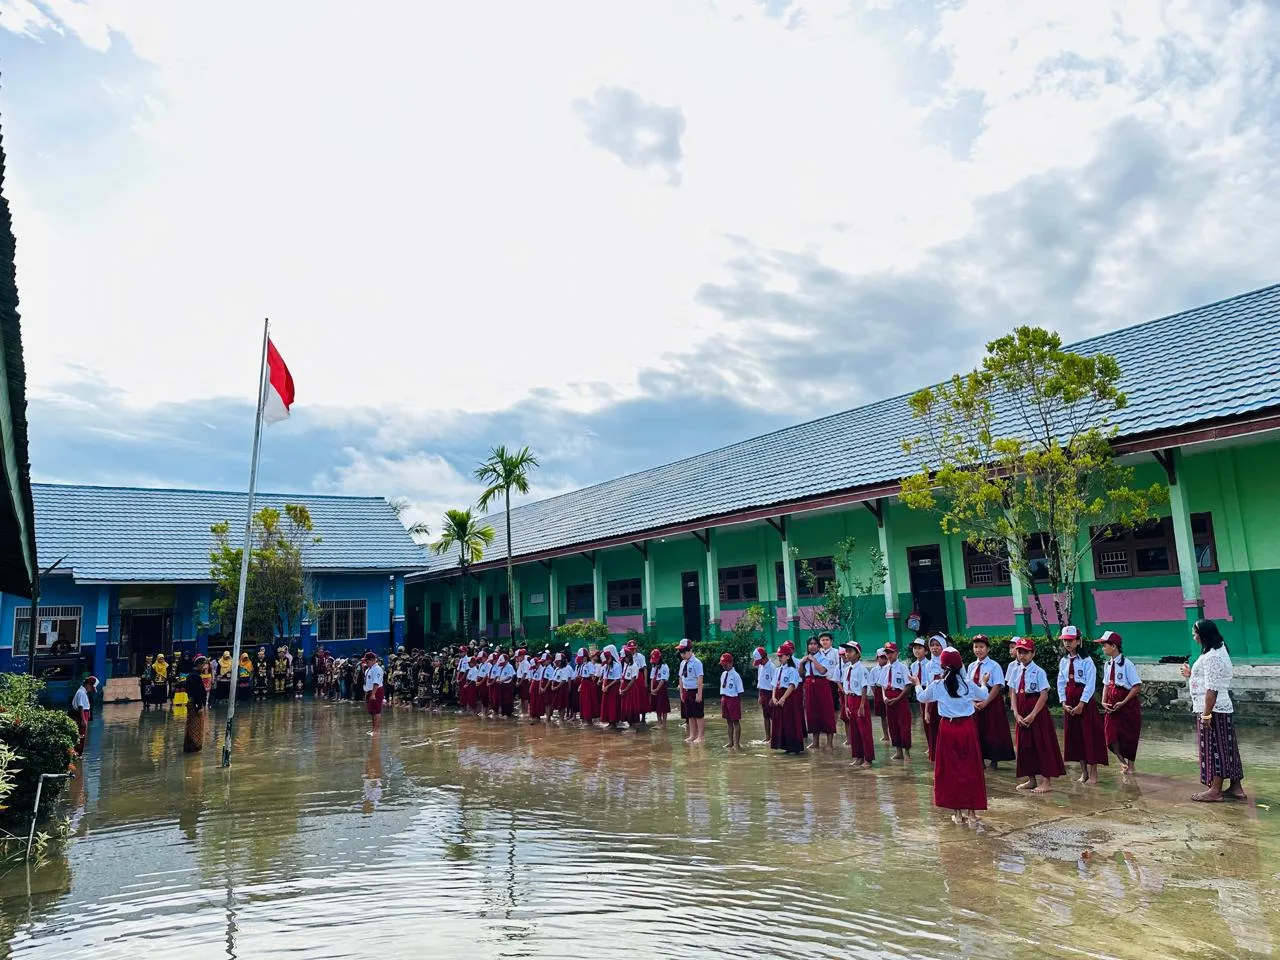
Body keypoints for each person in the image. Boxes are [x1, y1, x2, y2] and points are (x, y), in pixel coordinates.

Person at [912, 647, 989, 826]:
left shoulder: (938, 685)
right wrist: (984, 682)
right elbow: (983, 695)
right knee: (971, 768)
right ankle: (972, 813)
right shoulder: (968, 684)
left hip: (948, 728)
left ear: (943, 665)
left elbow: (922, 697)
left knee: (950, 770)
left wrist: (916, 683)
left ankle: (958, 813)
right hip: (967, 728)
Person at [1181, 619, 1246, 802]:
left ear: (1204, 635)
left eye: (1195, 633)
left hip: (1214, 708)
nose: (1194, 637)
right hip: (1217, 707)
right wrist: (1191, 675)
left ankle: (1215, 790)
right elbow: (1208, 679)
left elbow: (1212, 688)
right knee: (1228, 747)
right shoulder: (1217, 650)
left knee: (1215, 747)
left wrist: (1207, 714)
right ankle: (1236, 787)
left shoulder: (1213, 656)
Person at [1007, 636, 1064, 793]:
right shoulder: (1015, 670)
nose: (1022, 655)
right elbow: (1013, 693)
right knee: (1024, 747)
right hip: (1021, 710)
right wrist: (1016, 714)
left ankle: (1046, 781)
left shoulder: (1039, 671)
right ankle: (1031, 779)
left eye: (1026, 652)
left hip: (1036, 713)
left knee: (1042, 745)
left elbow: (1043, 695)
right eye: (1019, 651)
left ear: (1033, 653)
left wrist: (1033, 715)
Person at [1057, 625, 1108, 785]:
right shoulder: (1064, 661)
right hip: (1069, 700)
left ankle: (1093, 772)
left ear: (1078, 641)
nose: (1067, 644)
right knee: (1076, 737)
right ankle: (1083, 772)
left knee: (1089, 737)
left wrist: (1081, 703)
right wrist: (1063, 701)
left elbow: (1090, 684)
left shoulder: (1086, 661)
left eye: (1070, 640)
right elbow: (1060, 682)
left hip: (1083, 702)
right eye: (1065, 641)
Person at [967, 634, 1016, 769]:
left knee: (993, 731)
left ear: (988, 649)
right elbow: (968, 686)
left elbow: (997, 686)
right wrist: (972, 702)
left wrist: (986, 702)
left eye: (981, 647)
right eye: (976, 647)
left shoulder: (994, 666)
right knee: (977, 731)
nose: (978, 650)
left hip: (991, 702)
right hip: (975, 702)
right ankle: (979, 760)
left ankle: (994, 760)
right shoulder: (971, 666)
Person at [1099, 630, 1142, 773]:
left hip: (1126, 704)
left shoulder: (1127, 664)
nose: (1103, 648)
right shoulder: (1107, 665)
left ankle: (1131, 765)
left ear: (1114, 646)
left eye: (1105, 645)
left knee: (1129, 734)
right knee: (1110, 734)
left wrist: (1123, 702)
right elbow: (1106, 684)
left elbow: (1136, 686)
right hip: (1111, 702)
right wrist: (1103, 701)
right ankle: (1121, 761)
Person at [840, 642, 874, 767]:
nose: (847, 654)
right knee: (854, 730)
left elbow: (864, 687)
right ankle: (858, 756)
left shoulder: (862, 669)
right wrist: (846, 706)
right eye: (846, 651)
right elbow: (845, 688)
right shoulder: (846, 669)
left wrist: (862, 705)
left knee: (864, 731)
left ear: (858, 654)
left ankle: (868, 758)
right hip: (850, 699)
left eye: (850, 651)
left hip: (860, 700)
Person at [769, 642, 805, 755]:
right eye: (778, 656)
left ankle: (794, 746)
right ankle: (783, 744)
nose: (779, 658)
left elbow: (792, 685)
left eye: (781, 656)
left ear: (788, 656)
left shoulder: (792, 670)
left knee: (791, 721)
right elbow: (774, 684)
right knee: (780, 721)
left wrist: (784, 698)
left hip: (788, 698)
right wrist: (774, 697)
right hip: (778, 696)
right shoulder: (778, 670)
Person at [800, 636, 836, 749]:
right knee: (811, 713)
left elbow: (822, 670)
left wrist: (814, 660)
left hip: (822, 684)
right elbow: (801, 674)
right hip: (809, 685)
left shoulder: (823, 658)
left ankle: (829, 743)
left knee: (827, 712)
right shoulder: (805, 659)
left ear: (818, 646)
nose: (812, 646)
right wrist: (802, 663)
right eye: (810, 644)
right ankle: (815, 742)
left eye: (815, 644)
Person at [881, 642, 912, 761]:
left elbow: (908, 686)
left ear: (897, 653)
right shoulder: (884, 669)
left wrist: (898, 698)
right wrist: (884, 698)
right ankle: (898, 750)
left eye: (891, 652)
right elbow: (883, 686)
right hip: (888, 696)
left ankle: (907, 752)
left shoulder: (903, 667)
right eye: (887, 653)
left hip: (899, 696)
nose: (889, 655)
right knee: (892, 725)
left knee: (904, 725)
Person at [910, 636, 938, 761]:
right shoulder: (913, 666)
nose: (916, 651)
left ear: (926, 651)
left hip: (931, 692)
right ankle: (930, 745)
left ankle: (935, 745)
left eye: (919, 648)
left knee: (933, 720)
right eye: (915, 648)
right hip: (920, 692)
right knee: (925, 720)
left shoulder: (930, 664)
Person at [676, 639, 705, 744]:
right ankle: (692, 735)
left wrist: (699, 693)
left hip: (695, 691)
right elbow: (680, 678)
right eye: (681, 652)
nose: (682, 654)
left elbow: (700, 678)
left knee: (698, 714)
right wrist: (681, 693)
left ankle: (701, 736)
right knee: (690, 715)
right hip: (686, 691)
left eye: (684, 652)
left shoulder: (697, 663)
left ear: (690, 651)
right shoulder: (683, 663)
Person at [183, 657, 210, 753]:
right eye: (203, 664)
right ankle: (194, 747)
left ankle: (190, 746)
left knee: (191, 725)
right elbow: (197, 693)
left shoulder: (191, 675)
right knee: (196, 727)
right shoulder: (195, 676)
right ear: (198, 665)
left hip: (192, 703)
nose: (204, 667)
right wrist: (199, 706)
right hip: (196, 705)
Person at [719, 653, 744, 750]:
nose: (724, 667)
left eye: (725, 665)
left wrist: (737, 703)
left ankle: (737, 743)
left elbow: (740, 691)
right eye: (722, 665)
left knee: (735, 721)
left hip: (733, 699)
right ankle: (730, 742)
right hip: (725, 698)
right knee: (728, 721)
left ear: (731, 663)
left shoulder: (736, 676)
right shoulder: (723, 674)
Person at [752, 646, 776, 743]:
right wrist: (759, 696)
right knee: (765, 716)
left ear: (764, 657)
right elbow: (760, 682)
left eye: (760, 661)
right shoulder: (760, 667)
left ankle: (774, 736)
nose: (759, 663)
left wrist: (773, 698)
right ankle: (767, 737)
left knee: (773, 716)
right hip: (763, 693)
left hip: (770, 693)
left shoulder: (772, 667)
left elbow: (775, 684)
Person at [70, 676, 97, 756]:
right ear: (88, 684)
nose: (91, 690)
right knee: (81, 736)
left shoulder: (82, 692)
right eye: (92, 688)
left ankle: (78, 754)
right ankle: (78, 754)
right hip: (81, 716)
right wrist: (83, 720)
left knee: (82, 736)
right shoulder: (81, 693)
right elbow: (80, 706)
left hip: (83, 715)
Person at [599, 645, 623, 729]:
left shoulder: (616, 665)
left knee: (613, 705)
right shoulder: (606, 665)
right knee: (607, 705)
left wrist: (608, 686)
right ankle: (609, 721)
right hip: (607, 686)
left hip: (613, 687)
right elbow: (605, 676)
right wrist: (603, 685)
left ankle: (613, 723)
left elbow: (617, 679)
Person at [362, 651, 385, 734]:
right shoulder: (369, 669)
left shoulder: (377, 669)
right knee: (372, 711)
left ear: (372, 660)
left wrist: (373, 694)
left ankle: (376, 730)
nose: (366, 663)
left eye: (367, 661)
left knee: (376, 711)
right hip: (369, 691)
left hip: (376, 691)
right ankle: (373, 728)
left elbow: (376, 682)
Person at [871, 648, 890, 742]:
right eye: (881, 657)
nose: (883, 659)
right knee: (883, 716)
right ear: (877, 658)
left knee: (891, 714)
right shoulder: (874, 670)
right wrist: (876, 695)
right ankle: (886, 735)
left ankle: (892, 734)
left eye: (885, 657)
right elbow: (872, 685)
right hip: (878, 691)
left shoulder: (890, 668)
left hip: (889, 690)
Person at [649, 649, 671, 728]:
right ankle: (659, 722)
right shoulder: (654, 667)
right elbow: (652, 678)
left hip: (661, 688)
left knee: (663, 706)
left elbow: (662, 680)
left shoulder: (664, 666)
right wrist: (652, 689)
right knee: (656, 706)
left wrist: (657, 689)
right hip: (654, 688)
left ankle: (664, 724)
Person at [579, 649, 601, 724]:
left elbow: (593, 676)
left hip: (588, 684)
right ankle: (585, 718)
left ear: (586, 657)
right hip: (584, 684)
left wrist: (592, 686)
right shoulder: (584, 664)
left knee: (588, 701)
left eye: (583, 657)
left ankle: (589, 719)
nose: (582, 659)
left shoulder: (589, 664)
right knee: (584, 702)